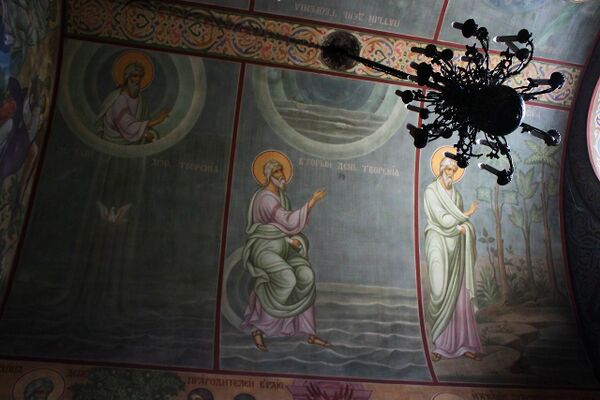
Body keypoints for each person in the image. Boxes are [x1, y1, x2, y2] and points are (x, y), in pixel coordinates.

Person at [242, 151, 329, 352]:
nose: (282, 175)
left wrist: (292, 241)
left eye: (282, 171)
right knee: (287, 279)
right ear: (268, 175)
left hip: (283, 249)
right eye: (277, 172)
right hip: (263, 250)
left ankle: (309, 332)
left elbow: (284, 230)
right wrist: (312, 201)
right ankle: (259, 327)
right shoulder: (264, 198)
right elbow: (287, 222)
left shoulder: (282, 198)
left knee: (306, 275)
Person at [423, 154, 482, 361]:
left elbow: (459, 223)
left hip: (456, 247)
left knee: (458, 294)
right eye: (449, 170)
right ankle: (440, 344)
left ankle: (463, 344)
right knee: (439, 290)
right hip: (437, 243)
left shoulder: (456, 195)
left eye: (455, 171)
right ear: (441, 169)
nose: (452, 174)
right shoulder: (431, 191)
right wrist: (467, 215)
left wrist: (464, 228)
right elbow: (441, 219)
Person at [96, 61, 169, 145]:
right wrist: (158, 120)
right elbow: (127, 126)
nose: (138, 79)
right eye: (135, 76)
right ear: (127, 77)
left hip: (133, 135)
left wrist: (147, 133)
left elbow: (142, 123)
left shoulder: (141, 101)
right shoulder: (119, 98)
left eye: (140, 76)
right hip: (116, 139)